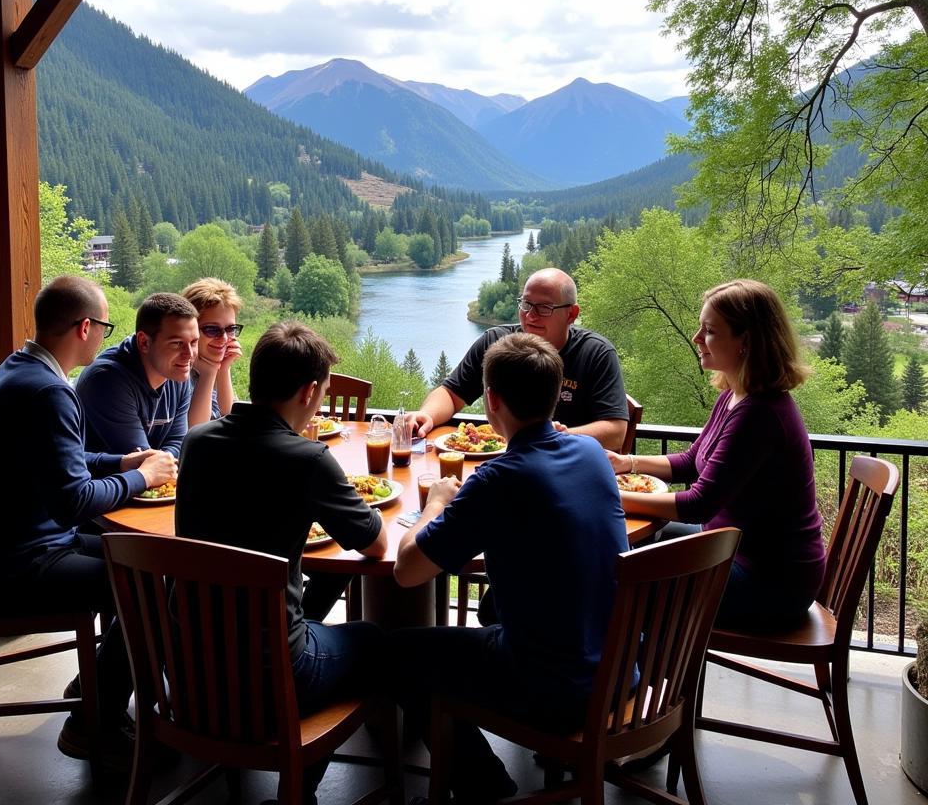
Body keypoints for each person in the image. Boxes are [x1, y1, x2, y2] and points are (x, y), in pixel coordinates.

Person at [0, 276, 178, 767]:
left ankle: (99, 688)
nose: (103, 336)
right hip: (10, 571)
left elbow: (63, 463)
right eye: (104, 325)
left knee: (153, 565)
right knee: (151, 583)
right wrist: (146, 476)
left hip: (1, 553)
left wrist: (122, 463)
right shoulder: (49, 391)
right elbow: (74, 501)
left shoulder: (19, 369)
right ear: (86, 327)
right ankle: (92, 723)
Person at [392, 332, 629, 802]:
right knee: (487, 618)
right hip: (621, 668)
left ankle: (484, 788)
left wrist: (435, 504)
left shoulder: (498, 479)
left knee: (400, 654)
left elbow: (407, 572)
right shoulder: (589, 454)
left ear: (492, 399)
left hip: (558, 690)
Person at [175, 320, 387, 804]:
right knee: (375, 640)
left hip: (190, 672)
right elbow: (373, 544)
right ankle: (300, 793)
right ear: (311, 391)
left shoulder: (198, 443)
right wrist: (435, 504)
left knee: (309, 610)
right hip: (272, 679)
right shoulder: (307, 459)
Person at [607, 278, 825, 628]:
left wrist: (612, 495)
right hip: (729, 549)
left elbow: (698, 503)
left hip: (770, 581)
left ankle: (648, 669)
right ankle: (646, 662)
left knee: (627, 586)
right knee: (632, 549)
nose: (696, 338)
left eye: (709, 330)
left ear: (746, 342)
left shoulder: (761, 414)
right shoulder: (735, 395)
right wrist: (626, 463)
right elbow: (694, 460)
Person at [412, 267, 628, 450]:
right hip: (505, 462)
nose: (530, 315)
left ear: (571, 314)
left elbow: (616, 431)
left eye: (544, 308)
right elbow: (451, 394)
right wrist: (426, 415)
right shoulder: (496, 343)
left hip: (569, 466)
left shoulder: (595, 353)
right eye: (526, 304)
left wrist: (555, 438)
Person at [76, 291, 198, 456]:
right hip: (104, 478)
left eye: (194, 342)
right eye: (177, 343)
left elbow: (178, 442)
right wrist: (168, 463)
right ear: (144, 342)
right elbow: (141, 460)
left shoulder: (176, 372)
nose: (189, 354)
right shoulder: (106, 380)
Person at [180, 277, 243, 426]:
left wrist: (223, 369)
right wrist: (209, 374)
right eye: (212, 330)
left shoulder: (210, 360)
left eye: (231, 329)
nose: (224, 338)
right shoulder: (178, 370)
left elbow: (229, 416)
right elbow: (194, 430)